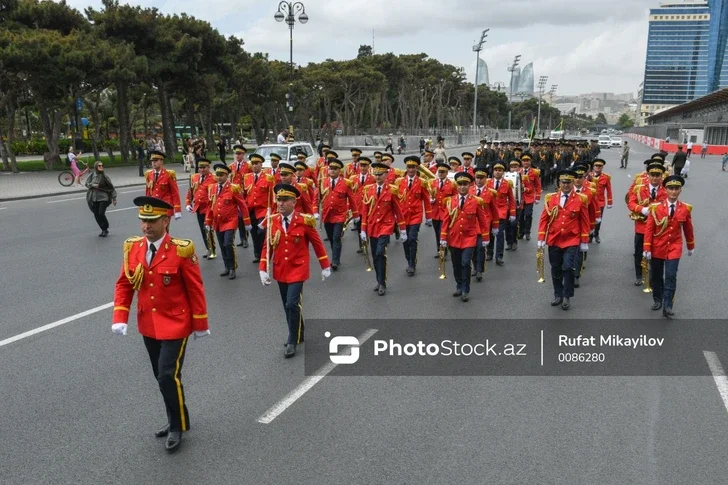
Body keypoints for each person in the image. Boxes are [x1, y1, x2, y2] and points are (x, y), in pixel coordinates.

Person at [111, 196, 210, 453]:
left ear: (166, 221)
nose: (146, 226)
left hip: (177, 322)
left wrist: (200, 323)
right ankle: (173, 416)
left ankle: (178, 425)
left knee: (168, 374)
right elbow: (124, 283)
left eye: (152, 221)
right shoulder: (133, 248)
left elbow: (195, 288)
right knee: (160, 376)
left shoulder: (181, 250)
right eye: (143, 221)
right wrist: (120, 317)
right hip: (149, 323)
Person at [259, 184, 331, 358]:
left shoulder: (304, 221)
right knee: (287, 305)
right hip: (280, 269)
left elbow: (317, 243)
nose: (280, 203)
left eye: (284, 200)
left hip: (298, 268)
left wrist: (325, 265)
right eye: (278, 200)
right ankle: (300, 330)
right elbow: (267, 246)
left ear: (293, 202)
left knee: (292, 303)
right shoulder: (273, 221)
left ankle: (292, 339)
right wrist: (263, 268)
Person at [537, 169, 590, 310]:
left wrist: (584, 241)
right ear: (559, 183)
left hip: (571, 239)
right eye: (563, 182)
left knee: (568, 267)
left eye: (569, 182)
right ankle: (558, 294)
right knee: (555, 268)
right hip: (554, 238)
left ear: (573, 183)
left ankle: (567, 296)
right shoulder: (551, 198)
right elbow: (544, 218)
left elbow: (585, 221)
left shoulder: (580, 199)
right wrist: (541, 237)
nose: (566, 185)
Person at [643, 175, 695, 318]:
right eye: (671, 188)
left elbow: (688, 228)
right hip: (657, 246)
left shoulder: (685, 209)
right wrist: (647, 248)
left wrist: (691, 245)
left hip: (674, 247)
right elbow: (649, 228)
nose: (673, 191)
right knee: (657, 275)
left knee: (671, 276)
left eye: (676, 189)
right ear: (665, 190)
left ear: (680, 190)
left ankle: (667, 305)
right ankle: (658, 299)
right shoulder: (656, 208)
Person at [440, 172, 490, 302]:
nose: (462, 187)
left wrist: (485, 238)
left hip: (469, 238)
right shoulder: (450, 201)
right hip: (454, 238)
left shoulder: (476, 201)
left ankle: (466, 289)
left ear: (470, 185)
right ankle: (459, 285)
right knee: (456, 264)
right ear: (457, 185)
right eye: (460, 184)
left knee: (466, 263)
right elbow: (446, 220)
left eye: (465, 184)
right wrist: (443, 238)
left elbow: (483, 220)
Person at [360, 162, 406, 295]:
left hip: (386, 226)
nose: (378, 176)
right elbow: (365, 209)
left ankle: (382, 283)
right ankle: (379, 281)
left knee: (380, 252)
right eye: (376, 174)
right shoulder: (368, 189)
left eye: (380, 174)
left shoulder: (392, 190)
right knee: (375, 255)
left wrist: (402, 229)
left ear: (386, 174)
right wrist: (363, 229)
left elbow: (398, 210)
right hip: (373, 226)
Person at [626, 161, 668, 287]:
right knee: (639, 251)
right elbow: (630, 203)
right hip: (642, 226)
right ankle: (639, 275)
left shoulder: (666, 190)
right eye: (652, 175)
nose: (655, 178)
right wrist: (641, 209)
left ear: (661, 176)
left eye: (658, 175)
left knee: (656, 253)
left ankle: (653, 277)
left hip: (659, 228)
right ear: (648, 175)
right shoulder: (639, 188)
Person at [207, 164, 251, 279]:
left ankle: (232, 267)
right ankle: (226, 266)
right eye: (217, 175)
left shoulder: (233, 188)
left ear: (227, 175)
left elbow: (242, 205)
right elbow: (210, 206)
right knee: (222, 245)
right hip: (218, 221)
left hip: (230, 220)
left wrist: (247, 222)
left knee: (228, 243)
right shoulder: (212, 188)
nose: (219, 177)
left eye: (222, 175)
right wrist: (208, 221)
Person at [321, 158, 359, 270]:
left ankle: (335, 260)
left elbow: (352, 200)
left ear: (339, 171)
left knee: (336, 237)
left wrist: (356, 215)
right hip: (327, 214)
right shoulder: (323, 182)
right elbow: (316, 197)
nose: (332, 171)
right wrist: (314, 211)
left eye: (335, 169)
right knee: (331, 238)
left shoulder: (346, 183)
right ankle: (335, 254)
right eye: (330, 168)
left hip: (340, 215)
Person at [398, 156, 433, 276]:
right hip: (403, 215)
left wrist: (428, 216)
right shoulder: (399, 182)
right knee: (405, 239)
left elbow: (426, 200)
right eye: (409, 167)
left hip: (415, 216)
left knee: (412, 238)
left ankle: (412, 264)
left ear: (417, 168)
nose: (411, 170)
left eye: (413, 167)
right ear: (406, 168)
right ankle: (409, 259)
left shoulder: (422, 182)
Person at [185, 159, 217, 258]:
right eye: (200, 168)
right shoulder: (194, 177)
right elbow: (190, 191)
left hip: (209, 207)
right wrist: (188, 203)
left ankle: (212, 250)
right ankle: (208, 248)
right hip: (198, 207)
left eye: (204, 167)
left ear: (208, 167)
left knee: (208, 228)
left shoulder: (214, 178)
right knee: (203, 230)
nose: (201, 170)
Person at [145, 151, 182, 222]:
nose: (153, 163)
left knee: (164, 230)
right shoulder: (149, 174)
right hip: (154, 207)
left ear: (162, 161)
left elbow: (175, 193)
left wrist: (177, 209)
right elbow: (148, 193)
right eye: (152, 161)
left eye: (156, 161)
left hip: (165, 207)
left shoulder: (169, 174)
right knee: (155, 230)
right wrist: (146, 206)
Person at [85, 161, 117, 237]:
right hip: (94, 198)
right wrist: (92, 185)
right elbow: (86, 184)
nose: (101, 167)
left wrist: (114, 198)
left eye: (102, 165)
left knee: (101, 213)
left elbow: (111, 188)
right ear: (96, 167)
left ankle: (106, 225)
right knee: (96, 215)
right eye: (99, 166)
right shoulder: (92, 175)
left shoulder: (105, 176)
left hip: (103, 197)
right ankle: (104, 230)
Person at [589, 159, 613, 244]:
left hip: (600, 202)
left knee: (598, 219)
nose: (598, 168)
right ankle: (590, 235)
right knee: (589, 218)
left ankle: (596, 234)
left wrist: (610, 202)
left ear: (602, 167)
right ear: (593, 167)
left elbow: (609, 190)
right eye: (596, 166)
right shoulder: (589, 176)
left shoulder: (605, 177)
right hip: (590, 201)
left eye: (600, 166)